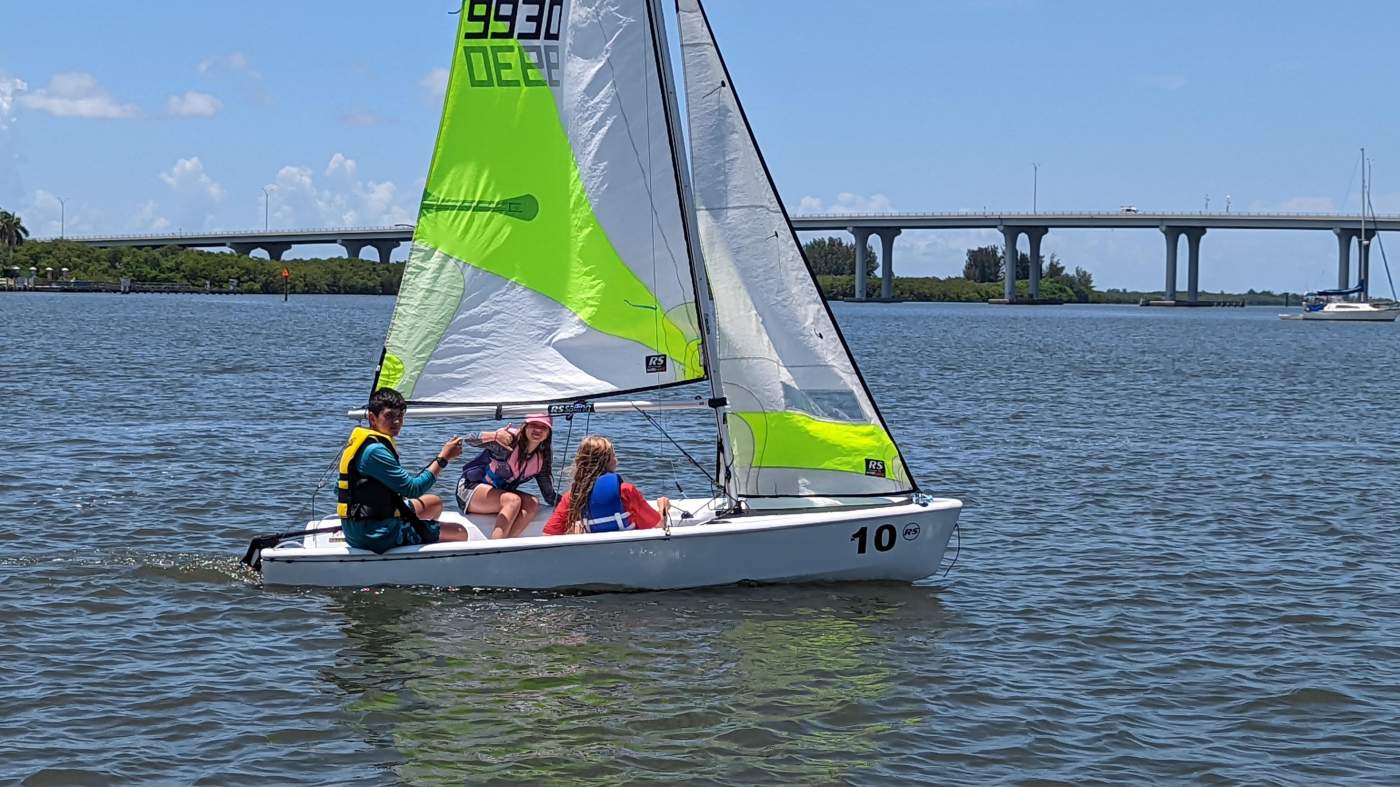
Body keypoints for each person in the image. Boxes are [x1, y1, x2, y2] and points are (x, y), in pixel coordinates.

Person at [338, 387, 470, 553]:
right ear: (372, 418)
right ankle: (418, 552)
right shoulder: (375, 451)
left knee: (433, 503)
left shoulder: (366, 443)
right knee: (459, 532)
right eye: (389, 416)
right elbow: (412, 489)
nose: (396, 422)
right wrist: (443, 459)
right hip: (376, 534)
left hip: (356, 526)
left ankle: (421, 542)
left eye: (400, 416)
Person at [455, 414, 559, 539]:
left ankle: (509, 542)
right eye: (533, 425)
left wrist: (576, 503)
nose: (538, 429)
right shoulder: (506, 444)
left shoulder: (542, 459)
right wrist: (495, 436)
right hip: (469, 490)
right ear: (525, 427)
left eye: (544, 427)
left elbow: (549, 496)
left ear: (548, 433)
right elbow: (468, 439)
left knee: (533, 503)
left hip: (499, 494)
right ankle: (494, 548)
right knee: (513, 500)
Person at [543, 436, 670, 536]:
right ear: (607, 461)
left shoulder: (572, 497)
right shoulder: (625, 490)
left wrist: (573, 533)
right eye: (613, 455)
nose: (616, 460)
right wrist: (662, 508)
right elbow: (659, 527)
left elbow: (548, 534)